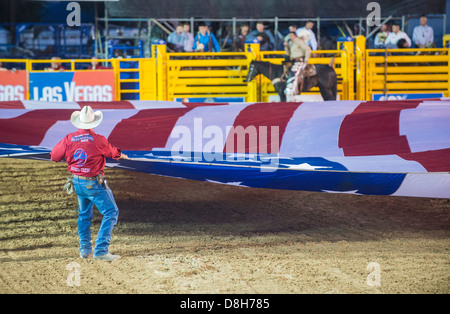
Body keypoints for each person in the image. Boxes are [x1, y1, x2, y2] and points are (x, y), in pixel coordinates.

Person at [50, 106, 129, 262]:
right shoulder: (98, 139)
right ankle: (100, 250)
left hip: (77, 181)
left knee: (84, 215)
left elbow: (54, 156)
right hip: (92, 182)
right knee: (111, 212)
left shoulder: (69, 138)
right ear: (93, 123)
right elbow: (112, 152)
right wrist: (122, 155)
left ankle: (85, 250)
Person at [284, 30, 311, 97]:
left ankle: (292, 89)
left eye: (291, 36)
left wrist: (306, 59)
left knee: (295, 72)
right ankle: (290, 87)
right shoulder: (291, 43)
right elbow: (288, 53)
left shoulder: (299, 42)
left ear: (294, 36)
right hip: (293, 60)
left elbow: (307, 49)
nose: (290, 37)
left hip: (299, 59)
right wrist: (286, 46)